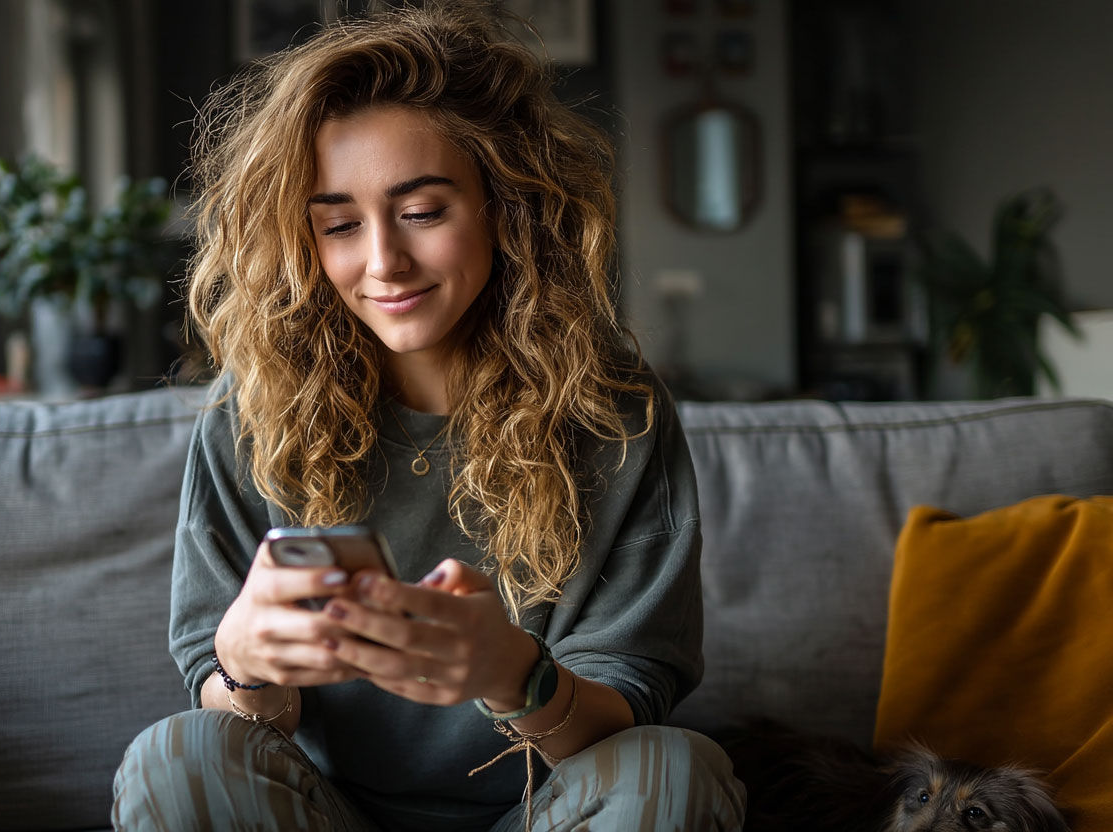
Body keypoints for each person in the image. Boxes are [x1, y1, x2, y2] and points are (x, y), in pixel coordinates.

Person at [112, 4, 746, 830]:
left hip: (545, 810)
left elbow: (630, 702)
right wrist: (244, 665)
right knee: (176, 752)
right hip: (323, 812)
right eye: (340, 225)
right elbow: (235, 722)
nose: (383, 261)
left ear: (504, 204)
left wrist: (515, 675)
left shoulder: (614, 410)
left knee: (676, 766)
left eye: (421, 213)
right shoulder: (253, 406)